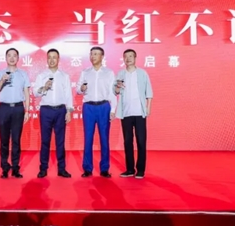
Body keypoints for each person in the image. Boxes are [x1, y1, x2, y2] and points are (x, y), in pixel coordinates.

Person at [76, 46, 117, 178]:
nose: (93, 56)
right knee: (88, 138)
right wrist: (81, 88)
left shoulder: (109, 73)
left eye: (96, 54)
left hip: (104, 106)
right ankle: (87, 168)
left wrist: (113, 109)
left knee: (104, 138)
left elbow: (112, 92)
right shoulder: (85, 72)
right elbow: (78, 89)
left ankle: (104, 168)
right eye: (92, 54)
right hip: (88, 107)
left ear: (102, 57)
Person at [33, 49, 74, 178]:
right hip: (46, 110)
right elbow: (35, 93)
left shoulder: (64, 76)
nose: (51, 60)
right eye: (49, 57)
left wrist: (69, 111)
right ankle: (43, 168)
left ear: (58, 59)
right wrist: (44, 87)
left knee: (60, 141)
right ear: (47, 59)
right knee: (45, 141)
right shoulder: (41, 76)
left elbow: (68, 94)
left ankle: (62, 168)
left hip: (61, 110)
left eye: (54, 57)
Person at [0, 48, 31, 179]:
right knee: (4, 140)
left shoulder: (23, 74)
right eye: (9, 55)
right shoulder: (0, 73)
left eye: (14, 55)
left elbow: (26, 93)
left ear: (18, 58)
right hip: (4, 108)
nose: (12, 58)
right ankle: (4, 167)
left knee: (16, 140)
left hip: (18, 108)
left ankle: (15, 167)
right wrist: (2, 80)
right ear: (6, 58)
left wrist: (27, 110)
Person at [114, 49, 153, 178]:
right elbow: (115, 91)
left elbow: (149, 92)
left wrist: (148, 107)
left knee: (141, 141)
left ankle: (140, 169)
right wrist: (118, 87)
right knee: (127, 142)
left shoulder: (142, 73)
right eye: (126, 56)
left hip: (140, 112)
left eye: (131, 56)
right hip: (126, 112)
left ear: (135, 58)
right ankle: (130, 169)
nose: (128, 58)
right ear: (123, 59)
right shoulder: (120, 74)